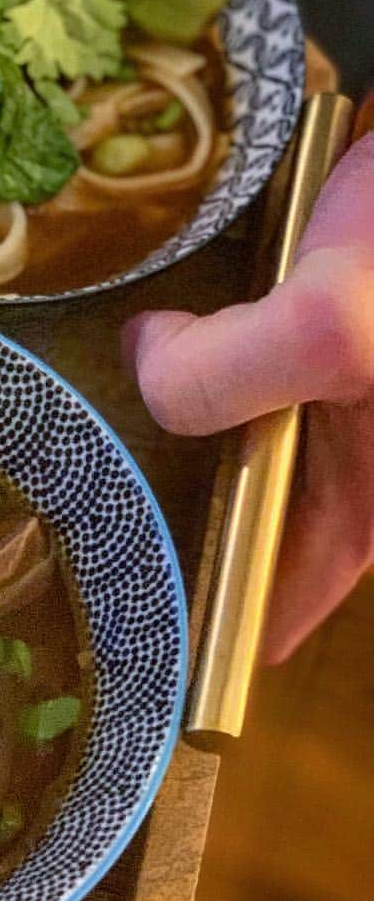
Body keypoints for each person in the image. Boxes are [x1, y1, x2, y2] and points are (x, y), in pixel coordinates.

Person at [124, 130, 374, 663]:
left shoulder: (337, 318)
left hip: (329, 476)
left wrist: (131, 326)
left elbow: (175, 388)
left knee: (269, 618)